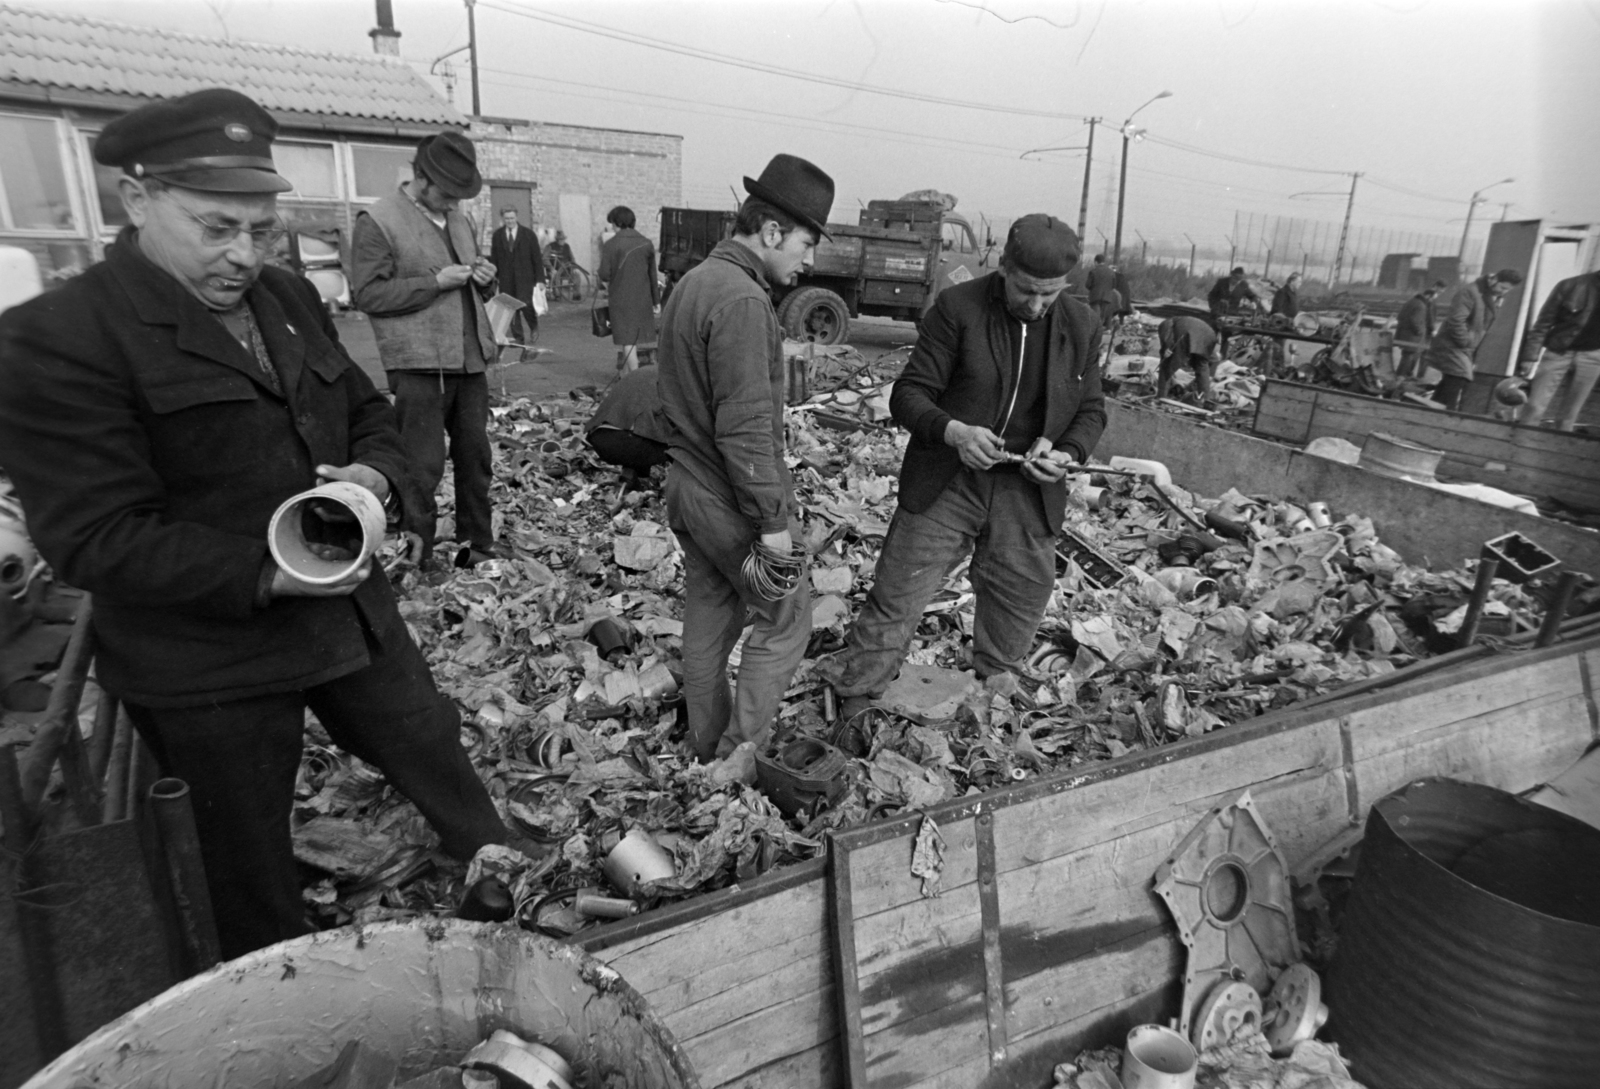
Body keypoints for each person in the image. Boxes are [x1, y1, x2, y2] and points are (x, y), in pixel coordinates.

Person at [0, 89, 527, 959]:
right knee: (247, 869)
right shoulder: (60, 336)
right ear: (138, 201)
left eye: (261, 229)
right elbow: (95, 537)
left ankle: (513, 886)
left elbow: (367, 411)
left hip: (349, 614)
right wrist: (265, 571)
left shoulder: (284, 297)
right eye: (215, 229)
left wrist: (378, 478)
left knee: (435, 751)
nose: (244, 255)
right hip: (211, 661)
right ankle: (278, 997)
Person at [831, 214, 1105, 721]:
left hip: (1027, 488)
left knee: (1021, 595)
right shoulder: (958, 308)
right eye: (1027, 291)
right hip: (949, 479)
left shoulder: (1082, 324)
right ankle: (857, 700)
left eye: (1050, 295)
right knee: (899, 591)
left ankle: (990, 700)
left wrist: (1067, 452)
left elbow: (1091, 410)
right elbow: (908, 395)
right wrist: (955, 432)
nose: (1038, 305)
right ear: (1004, 269)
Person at [656, 154, 831, 762]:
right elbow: (747, 430)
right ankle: (737, 757)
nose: (808, 261)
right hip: (727, 496)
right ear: (773, 231)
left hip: (687, 487)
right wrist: (774, 524)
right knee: (786, 620)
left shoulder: (694, 283)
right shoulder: (742, 300)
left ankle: (704, 748)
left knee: (709, 617)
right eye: (806, 243)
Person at [351, 130, 500, 568]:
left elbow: (474, 290)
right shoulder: (378, 221)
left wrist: (486, 280)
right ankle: (420, 552)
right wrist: (434, 283)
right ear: (421, 178)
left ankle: (479, 545)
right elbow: (369, 295)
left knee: (476, 460)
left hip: (469, 361)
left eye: (461, 196)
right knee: (421, 466)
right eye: (449, 194)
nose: (455, 204)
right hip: (418, 366)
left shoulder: (460, 220)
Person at [1425, 268, 1524, 411]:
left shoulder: (1489, 294)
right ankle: (1444, 413)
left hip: (1463, 346)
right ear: (1494, 279)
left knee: (1451, 380)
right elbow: (1456, 321)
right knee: (1460, 376)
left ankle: (1432, 411)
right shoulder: (1470, 292)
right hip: (1452, 344)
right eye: (1502, 287)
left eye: (1507, 290)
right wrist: (1466, 342)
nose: (1503, 292)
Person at [1516, 268, 1600, 431]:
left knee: (1570, 414)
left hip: (1594, 356)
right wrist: (1529, 357)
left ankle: (1557, 452)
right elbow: (1543, 323)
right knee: (1534, 405)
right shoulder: (1570, 285)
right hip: (1558, 351)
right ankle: (1518, 446)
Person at [598, 206, 661, 373]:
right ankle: (624, 379)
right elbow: (653, 276)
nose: (611, 226)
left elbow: (604, 274)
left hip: (621, 300)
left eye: (612, 222)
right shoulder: (646, 243)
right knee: (632, 340)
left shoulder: (611, 244)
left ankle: (635, 380)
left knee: (627, 341)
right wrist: (656, 301)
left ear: (618, 222)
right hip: (642, 300)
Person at [585, 366, 673, 480]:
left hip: (598, 438)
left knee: (645, 433)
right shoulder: (673, 381)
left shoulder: (646, 371)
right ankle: (639, 474)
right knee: (680, 448)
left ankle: (634, 477)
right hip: (629, 443)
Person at [490, 206, 544, 343]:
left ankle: (534, 326)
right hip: (506, 279)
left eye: (512, 218)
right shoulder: (497, 236)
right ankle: (519, 339)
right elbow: (494, 258)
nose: (510, 221)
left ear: (517, 217)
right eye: (507, 218)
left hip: (525, 278)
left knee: (526, 305)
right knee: (510, 308)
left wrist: (540, 279)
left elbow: (537, 258)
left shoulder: (528, 235)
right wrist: (494, 276)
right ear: (503, 219)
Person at [1158, 315, 1220, 402]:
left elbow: (1166, 338)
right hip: (1209, 335)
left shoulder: (1164, 324)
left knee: (1167, 366)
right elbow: (1215, 360)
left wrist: (1166, 349)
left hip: (1187, 333)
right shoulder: (1180, 320)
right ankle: (1205, 400)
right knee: (1202, 366)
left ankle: (1161, 397)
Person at [1395, 281, 1444, 377]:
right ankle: (1402, 377)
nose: (1430, 302)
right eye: (1431, 299)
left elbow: (1400, 316)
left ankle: (1400, 376)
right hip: (1413, 337)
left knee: (1406, 356)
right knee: (1409, 357)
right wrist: (1421, 331)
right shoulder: (1421, 306)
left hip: (1405, 334)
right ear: (1428, 296)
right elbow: (1415, 321)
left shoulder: (1411, 301)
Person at [1085, 253, 1117, 327]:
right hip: (1107, 297)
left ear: (1096, 262)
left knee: (1095, 315)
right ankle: (1099, 330)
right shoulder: (1111, 272)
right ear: (1104, 262)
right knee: (1102, 316)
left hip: (1095, 297)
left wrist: (1093, 289)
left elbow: (1087, 285)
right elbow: (1114, 285)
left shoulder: (1093, 271)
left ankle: (1094, 331)